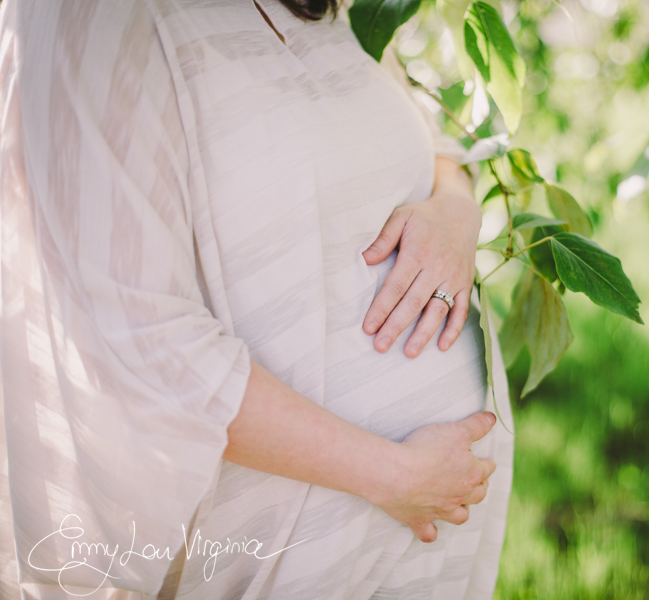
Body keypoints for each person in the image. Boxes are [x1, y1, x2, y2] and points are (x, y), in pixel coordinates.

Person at [0, 0, 515, 598]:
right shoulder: (88, 20)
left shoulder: (326, 8)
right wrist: (392, 474)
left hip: (422, 531)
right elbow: (133, 334)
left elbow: (425, 136)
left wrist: (455, 204)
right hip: (292, 559)